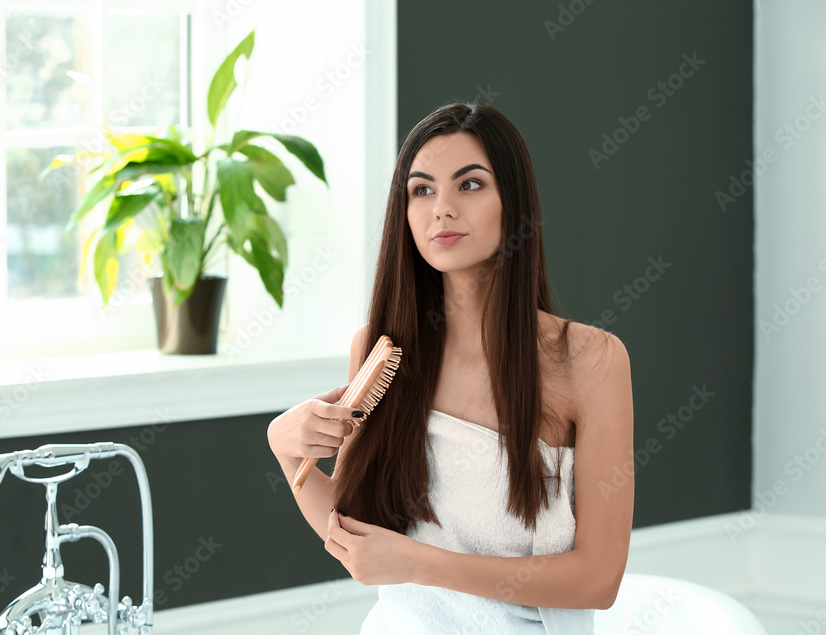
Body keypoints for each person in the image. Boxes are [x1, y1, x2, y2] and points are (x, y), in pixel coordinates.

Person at [267, 102, 634, 633]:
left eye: (469, 185)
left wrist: (419, 564)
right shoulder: (378, 351)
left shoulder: (589, 360)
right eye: (422, 189)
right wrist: (284, 450)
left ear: (514, 202)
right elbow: (355, 537)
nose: (442, 208)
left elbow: (598, 579)